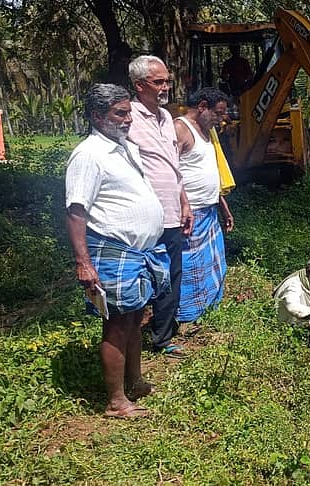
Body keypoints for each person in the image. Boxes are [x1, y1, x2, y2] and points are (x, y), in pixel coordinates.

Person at [65, 83, 169, 419]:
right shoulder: (89, 155)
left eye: (128, 113)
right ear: (97, 116)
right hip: (112, 251)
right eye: (119, 113)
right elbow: (76, 211)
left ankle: (135, 382)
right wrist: (84, 263)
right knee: (117, 325)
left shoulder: (123, 147)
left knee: (135, 319)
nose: (127, 120)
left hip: (138, 252)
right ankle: (116, 401)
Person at [128, 55, 193, 358]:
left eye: (167, 80)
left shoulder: (167, 118)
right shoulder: (127, 116)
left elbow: (174, 167)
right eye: (158, 82)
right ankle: (129, 336)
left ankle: (163, 336)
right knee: (143, 278)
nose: (166, 86)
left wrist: (185, 204)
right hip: (143, 217)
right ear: (139, 86)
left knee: (172, 276)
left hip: (172, 213)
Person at [173, 87, 235, 325]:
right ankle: (187, 315)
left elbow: (210, 172)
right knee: (191, 266)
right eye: (217, 113)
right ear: (201, 107)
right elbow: (170, 173)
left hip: (208, 210)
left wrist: (223, 205)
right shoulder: (180, 129)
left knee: (212, 262)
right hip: (191, 213)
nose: (221, 119)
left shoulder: (208, 132)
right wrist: (184, 206)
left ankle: (209, 308)